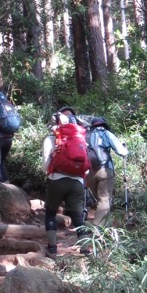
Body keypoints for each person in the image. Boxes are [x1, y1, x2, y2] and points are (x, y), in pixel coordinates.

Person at [42, 107, 91, 258]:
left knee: (50, 212)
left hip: (56, 179)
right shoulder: (81, 139)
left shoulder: (52, 139)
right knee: (77, 216)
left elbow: (45, 163)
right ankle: (85, 249)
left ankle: (52, 249)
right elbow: (87, 168)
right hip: (77, 182)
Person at [85, 116, 128, 225]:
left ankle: (106, 225)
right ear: (104, 125)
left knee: (101, 200)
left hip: (89, 172)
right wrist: (125, 149)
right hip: (105, 170)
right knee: (104, 199)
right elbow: (121, 151)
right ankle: (98, 228)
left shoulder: (85, 136)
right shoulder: (106, 134)